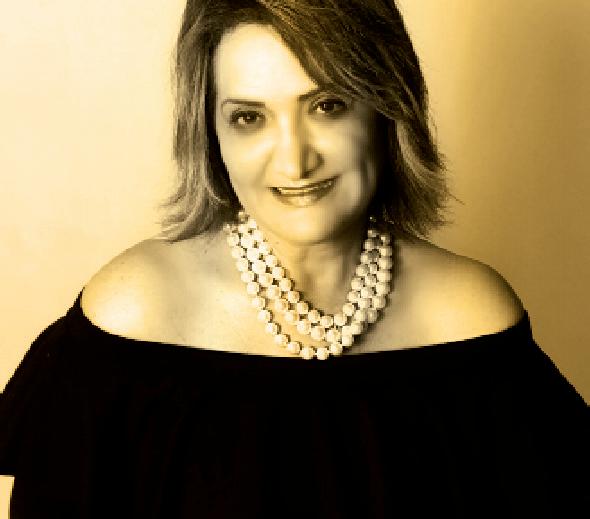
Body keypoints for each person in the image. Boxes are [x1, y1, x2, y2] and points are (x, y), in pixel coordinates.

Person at [0, 0, 587, 517]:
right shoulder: (130, 318)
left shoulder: (473, 322)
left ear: (386, 108)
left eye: (327, 105)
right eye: (249, 117)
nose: (295, 160)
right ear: (211, 134)